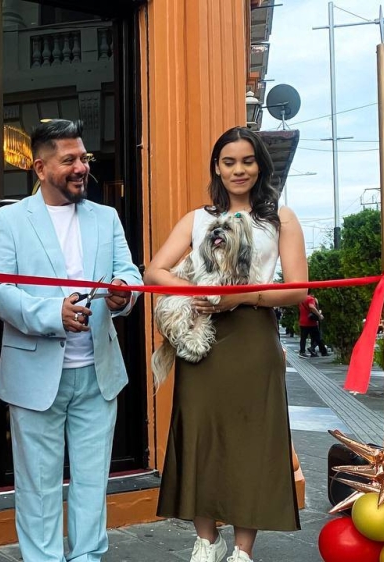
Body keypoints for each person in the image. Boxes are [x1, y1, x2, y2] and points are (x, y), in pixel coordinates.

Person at [144, 126, 307, 562]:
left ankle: (242, 550)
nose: (239, 170)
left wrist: (243, 296)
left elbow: (298, 289)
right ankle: (206, 540)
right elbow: (154, 271)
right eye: (229, 162)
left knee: (251, 438)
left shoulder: (281, 219)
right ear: (217, 166)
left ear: (260, 165)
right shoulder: (197, 219)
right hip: (202, 337)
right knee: (199, 432)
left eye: (247, 161)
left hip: (254, 337)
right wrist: (194, 290)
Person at [0, 119, 142, 562]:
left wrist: (122, 295)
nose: (81, 167)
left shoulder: (106, 216)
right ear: (40, 167)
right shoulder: (8, 220)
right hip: (33, 376)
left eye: (84, 158)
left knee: (93, 484)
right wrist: (53, 315)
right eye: (69, 159)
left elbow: (129, 274)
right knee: (38, 486)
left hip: (98, 374)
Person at [298, 293, 328, 357]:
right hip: (311, 322)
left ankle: (302, 351)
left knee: (303, 338)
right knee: (317, 337)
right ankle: (323, 351)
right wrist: (319, 315)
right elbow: (311, 307)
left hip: (302, 321)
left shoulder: (301, 299)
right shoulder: (310, 299)